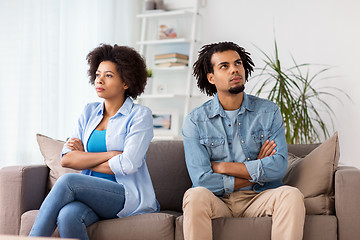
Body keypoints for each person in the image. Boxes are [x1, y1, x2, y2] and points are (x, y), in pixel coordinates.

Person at [29, 44, 159, 240]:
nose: (99, 80)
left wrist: (84, 157)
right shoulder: (89, 112)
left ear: (126, 82)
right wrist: (110, 155)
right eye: (98, 74)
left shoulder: (140, 115)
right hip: (90, 194)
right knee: (67, 216)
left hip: (124, 194)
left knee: (69, 181)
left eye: (108, 75)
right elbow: (67, 159)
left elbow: (128, 165)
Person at [181, 42, 305, 240]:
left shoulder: (268, 111)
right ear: (211, 77)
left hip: (259, 196)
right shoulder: (195, 121)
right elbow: (202, 180)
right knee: (195, 196)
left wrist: (223, 167)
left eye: (238, 63)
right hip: (217, 200)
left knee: (291, 195)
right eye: (225, 66)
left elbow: (279, 167)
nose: (234, 69)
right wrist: (255, 171)